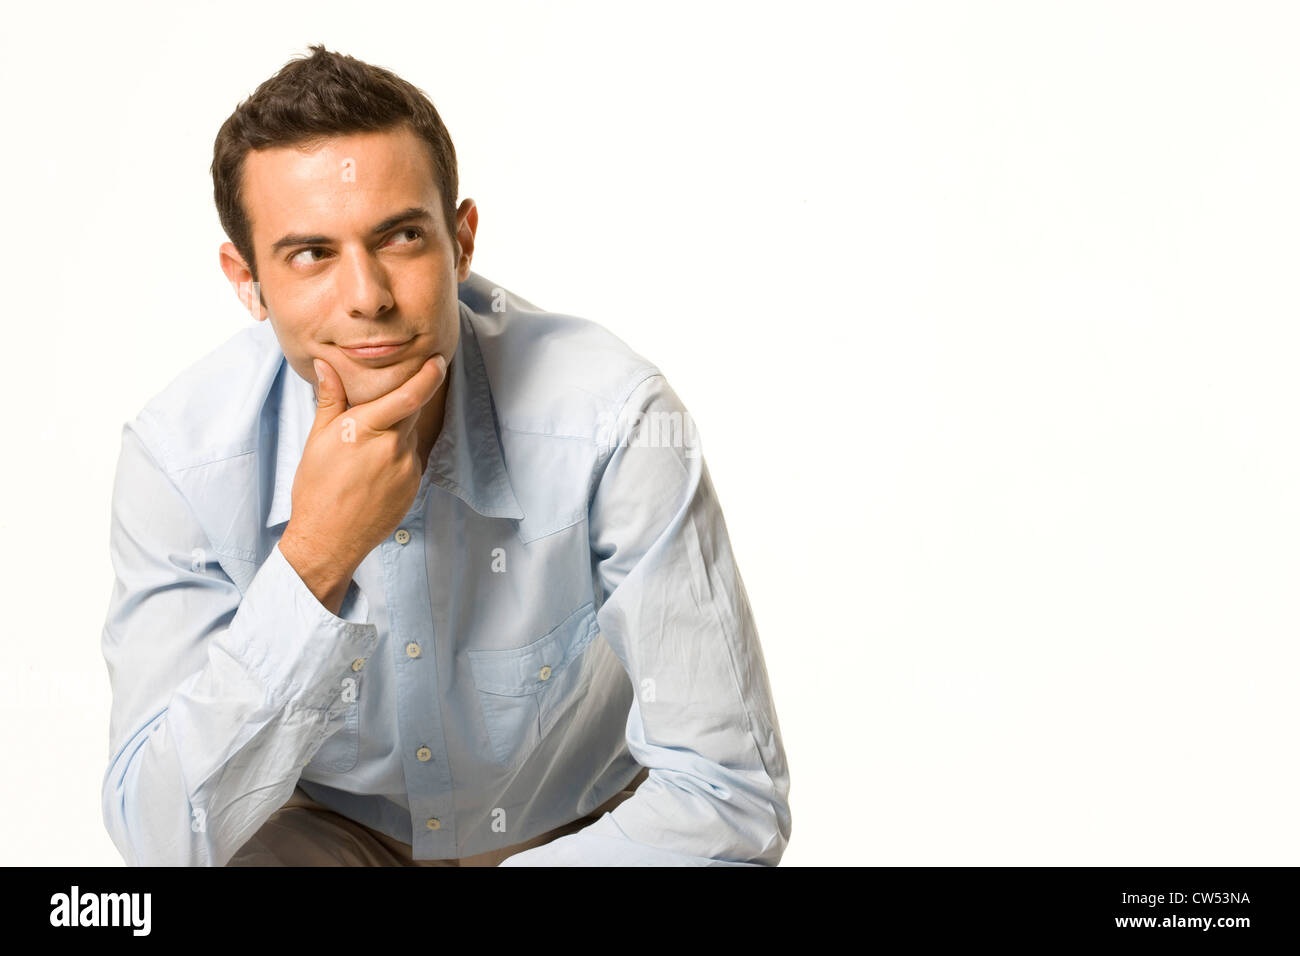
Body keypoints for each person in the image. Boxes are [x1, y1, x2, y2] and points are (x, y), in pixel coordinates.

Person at [100, 44, 790, 866]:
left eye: (399, 237)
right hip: (323, 843)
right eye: (311, 254)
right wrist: (316, 557)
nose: (368, 297)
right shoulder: (180, 460)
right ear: (247, 279)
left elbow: (728, 796)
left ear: (461, 242)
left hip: (578, 837)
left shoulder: (612, 420)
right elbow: (160, 837)